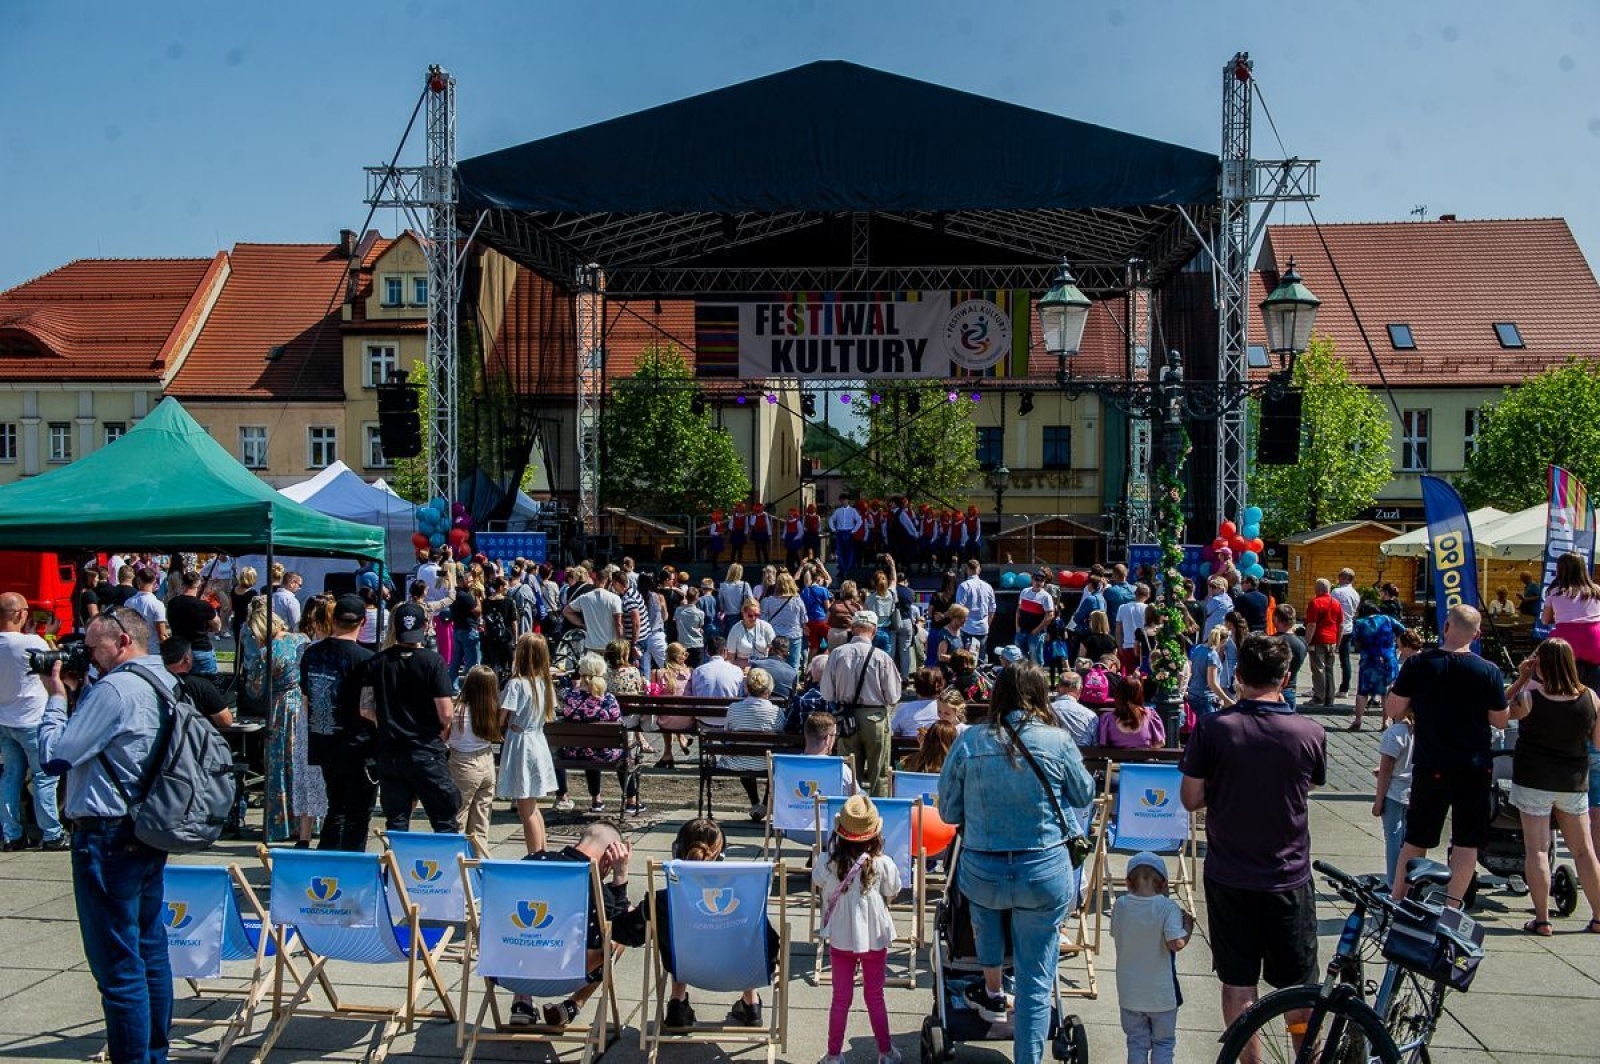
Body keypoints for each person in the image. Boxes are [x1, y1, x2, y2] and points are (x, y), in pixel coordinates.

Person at [37, 608, 176, 1063]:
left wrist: (57, 698)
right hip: (147, 828)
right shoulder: (165, 682)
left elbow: (55, 757)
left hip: (107, 835)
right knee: (150, 951)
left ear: (121, 641)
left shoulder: (117, 688)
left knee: (118, 965)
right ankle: (154, 1052)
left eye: (95, 649)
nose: (89, 658)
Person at [938, 661, 1094, 1064]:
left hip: (984, 866)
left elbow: (950, 812)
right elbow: (1082, 795)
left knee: (984, 917)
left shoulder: (970, 740)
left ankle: (991, 988)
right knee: (1036, 978)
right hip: (1042, 868)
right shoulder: (1057, 740)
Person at [1180, 634, 1327, 1034]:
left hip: (1230, 872)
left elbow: (1190, 798)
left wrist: (1225, 784)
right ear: (1286, 677)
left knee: (1238, 983)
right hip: (1287, 873)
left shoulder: (1212, 729)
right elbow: (1308, 784)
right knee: (1299, 989)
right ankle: (1304, 1057)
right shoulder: (1309, 731)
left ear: (1238, 675)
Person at [1386, 604, 1509, 904]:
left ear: (1445, 627)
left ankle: (1400, 898)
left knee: (1417, 837)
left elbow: (1393, 710)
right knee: (1467, 840)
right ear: (1477, 634)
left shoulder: (1418, 665)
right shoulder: (1488, 670)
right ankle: (1453, 905)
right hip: (1474, 765)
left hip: (1432, 762)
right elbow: (1500, 720)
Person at [610, 818, 779, 1029]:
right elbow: (770, 944)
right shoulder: (746, 897)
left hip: (687, 969)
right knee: (750, 933)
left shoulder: (664, 901)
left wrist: (620, 875)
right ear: (721, 855)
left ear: (676, 851)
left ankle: (677, 1003)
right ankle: (751, 1003)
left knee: (675, 932)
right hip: (739, 971)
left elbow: (622, 932)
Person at [1503, 638, 1600, 934]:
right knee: (1584, 852)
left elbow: (1498, 715)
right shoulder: (1592, 698)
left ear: (1540, 663)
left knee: (1538, 850)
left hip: (1533, 779)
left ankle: (1543, 919)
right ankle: (1598, 917)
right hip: (1572, 781)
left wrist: (1521, 678)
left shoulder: (1530, 698)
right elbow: (1598, 743)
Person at [510, 821, 639, 1027]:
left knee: (527, 931)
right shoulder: (596, 887)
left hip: (508, 972)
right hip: (565, 976)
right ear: (610, 857)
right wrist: (620, 876)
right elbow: (630, 931)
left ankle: (522, 1002)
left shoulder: (530, 863)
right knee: (617, 934)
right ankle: (574, 1004)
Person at [357, 599, 460, 834]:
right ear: (425, 627)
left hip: (390, 751)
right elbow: (445, 713)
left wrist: (385, 722)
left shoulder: (377, 662)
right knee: (444, 820)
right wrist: (440, 733)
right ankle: (445, 868)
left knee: (397, 822)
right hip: (425, 750)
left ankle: (396, 868)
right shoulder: (433, 662)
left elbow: (365, 708)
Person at [813, 795, 903, 1064]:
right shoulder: (882, 863)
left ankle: (833, 1054)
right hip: (875, 937)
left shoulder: (827, 862)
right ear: (875, 834)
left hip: (840, 936)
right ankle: (885, 1051)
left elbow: (818, 881)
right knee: (875, 996)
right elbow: (894, 890)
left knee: (840, 998)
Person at [298, 594, 375, 851]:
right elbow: (367, 708)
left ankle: (328, 861)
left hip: (323, 738)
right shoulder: (365, 658)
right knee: (357, 813)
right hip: (356, 744)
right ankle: (350, 868)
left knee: (337, 807)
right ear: (362, 623)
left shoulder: (312, 653)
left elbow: (307, 696)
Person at [245, 596, 322, 846]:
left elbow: (254, 689)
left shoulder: (267, 653)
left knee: (280, 766)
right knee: (305, 766)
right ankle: (310, 823)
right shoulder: (303, 640)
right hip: (305, 704)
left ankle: (282, 823)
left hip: (281, 710)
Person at [1110, 852, 1193, 1064]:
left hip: (1129, 992)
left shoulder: (1120, 905)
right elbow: (1176, 943)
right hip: (1161, 994)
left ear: (1128, 882)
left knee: (1136, 1042)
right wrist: (1188, 926)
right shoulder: (1168, 908)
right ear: (1164, 884)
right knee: (1163, 1043)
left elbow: (1116, 933)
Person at [0, 591, 63, 851]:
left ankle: (11, 834)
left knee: (10, 777)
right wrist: (49, 635)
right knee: (44, 778)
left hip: (5, 720)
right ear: (18, 614)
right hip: (32, 720)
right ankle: (52, 834)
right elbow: (56, 664)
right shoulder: (30, 643)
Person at [821, 611, 902, 797]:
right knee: (879, 773)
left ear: (853, 629)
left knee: (849, 773)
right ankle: (877, 814)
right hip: (875, 718)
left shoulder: (837, 654)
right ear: (873, 631)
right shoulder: (882, 657)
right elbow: (893, 696)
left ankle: (852, 816)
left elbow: (826, 693)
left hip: (846, 717)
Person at [496, 632, 558, 853]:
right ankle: (542, 850)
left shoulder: (516, 684)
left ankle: (534, 854)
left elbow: (501, 717)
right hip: (537, 741)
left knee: (525, 808)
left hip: (521, 743)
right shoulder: (545, 684)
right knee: (533, 806)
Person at [558, 652, 641, 816]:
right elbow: (619, 724)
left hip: (575, 752)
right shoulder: (607, 699)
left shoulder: (570, 696)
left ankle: (596, 799)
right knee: (623, 751)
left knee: (589, 746)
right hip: (605, 753)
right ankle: (631, 800)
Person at [445, 664, 503, 851]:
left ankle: (457, 865)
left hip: (463, 763)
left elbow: (444, 737)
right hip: (487, 761)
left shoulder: (458, 711)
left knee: (458, 818)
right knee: (481, 820)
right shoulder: (492, 710)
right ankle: (479, 863)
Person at [721, 667, 784, 821]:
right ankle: (764, 804)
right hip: (766, 762)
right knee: (774, 762)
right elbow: (782, 735)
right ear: (768, 689)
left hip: (738, 761)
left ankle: (756, 803)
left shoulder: (734, 708)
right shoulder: (776, 711)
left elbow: (726, 732)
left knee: (743, 754)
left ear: (747, 688)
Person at [1541, 551, 1600, 688]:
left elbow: (1545, 620)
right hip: (1595, 639)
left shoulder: (1555, 592)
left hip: (1567, 641)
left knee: (1563, 685)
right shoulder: (1596, 590)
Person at [1373, 703, 1415, 885]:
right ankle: (1406, 881)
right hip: (1413, 790)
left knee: (1392, 839)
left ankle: (1392, 882)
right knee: (1407, 840)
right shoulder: (1417, 731)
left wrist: (1378, 801)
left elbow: (1386, 770)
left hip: (1394, 793)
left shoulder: (1395, 733)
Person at [160, 637, 232, 728]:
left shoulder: (153, 683)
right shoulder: (201, 686)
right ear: (187, 659)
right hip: (193, 738)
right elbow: (225, 721)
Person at [1351, 600, 1399, 731]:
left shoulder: (1359, 623)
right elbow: (1402, 630)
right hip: (1388, 657)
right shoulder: (1387, 619)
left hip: (1369, 659)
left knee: (1362, 691)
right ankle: (1385, 722)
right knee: (1386, 691)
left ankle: (1358, 720)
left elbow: (1355, 641)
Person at [165, 570, 221, 676]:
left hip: (180, 651)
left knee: (181, 687)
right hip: (200, 649)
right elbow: (217, 626)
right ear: (198, 584)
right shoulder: (204, 606)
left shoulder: (172, 603)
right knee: (207, 686)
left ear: (183, 584)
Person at [1098, 674, 1167, 749]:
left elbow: (1103, 744)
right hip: (1144, 759)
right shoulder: (1150, 714)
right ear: (1140, 694)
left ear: (1118, 694)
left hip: (1118, 760)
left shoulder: (1107, 719)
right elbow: (1161, 742)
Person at [1304, 578, 1343, 707]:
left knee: (1318, 669)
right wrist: (1338, 643)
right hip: (1332, 640)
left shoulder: (1315, 603)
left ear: (1319, 589)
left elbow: (1311, 625)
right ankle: (1330, 697)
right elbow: (1341, 625)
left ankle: (1319, 696)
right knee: (1329, 669)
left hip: (1318, 640)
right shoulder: (1336, 603)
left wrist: (1306, 641)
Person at [564, 570, 622, 654]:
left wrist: (582, 624)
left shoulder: (584, 598)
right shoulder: (614, 599)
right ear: (608, 582)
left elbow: (566, 611)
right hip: (610, 646)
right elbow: (618, 624)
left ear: (595, 580)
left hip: (591, 645)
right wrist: (621, 642)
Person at [953, 559, 997, 656]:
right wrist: (987, 624)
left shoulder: (964, 586)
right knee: (980, 660)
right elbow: (992, 609)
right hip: (982, 629)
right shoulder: (988, 586)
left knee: (967, 660)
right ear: (979, 570)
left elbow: (959, 609)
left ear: (967, 570)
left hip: (967, 628)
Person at [125, 566, 170, 654]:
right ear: (154, 581)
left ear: (138, 581)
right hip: (154, 651)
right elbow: (162, 634)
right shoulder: (157, 604)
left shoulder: (128, 603)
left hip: (135, 650)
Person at [891, 667, 946, 739]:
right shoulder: (946, 710)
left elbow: (895, 732)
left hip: (907, 749)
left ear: (916, 687)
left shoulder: (905, 708)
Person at [1331, 568, 1362, 698]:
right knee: (1345, 660)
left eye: (1339, 577)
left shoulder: (1337, 592)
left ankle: (1323, 687)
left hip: (1336, 628)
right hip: (1349, 627)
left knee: (1327, 659)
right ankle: (1344, 688)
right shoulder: (1355, 594)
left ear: (1343, 578)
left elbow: (1331, 608)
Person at [1271, 604, 1306, 711]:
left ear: (1276, 619)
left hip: (1271, 690)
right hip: (1290, 689)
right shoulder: (1301, 643)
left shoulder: (1272, 641)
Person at [1049, 671, 1099, 747]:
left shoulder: (1044, 710)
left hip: (1050, 757)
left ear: (1057, 687)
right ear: (1080, 689)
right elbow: (1095, 744)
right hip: (1083, 758)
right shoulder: (1090, 716)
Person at [1114, 583, 1152, 676]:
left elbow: (1118, 631)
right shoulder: (1149, 609)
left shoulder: (1122, 608)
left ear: (1135, 593)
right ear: (1148, 595)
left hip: (1127, 646)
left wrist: (1119, 646)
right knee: (1144, 674)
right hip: (1144, 647)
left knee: (1129, 676)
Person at [726, 598, 776, 667]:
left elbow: (774, 651)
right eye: (750, 615)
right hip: (742, 667)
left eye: (756, 615)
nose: (753, 618)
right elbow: (731, 656)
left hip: (763, 665)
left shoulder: (766, 627)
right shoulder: (735, 630)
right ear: (743, 613)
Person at [748, 635, 798, 700]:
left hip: (755, 707)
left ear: (771, 649)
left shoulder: (756, 665)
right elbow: (793, 698)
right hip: (781, 709)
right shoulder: (793, 673)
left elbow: (748, 690)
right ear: (787, 653)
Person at [673, 586, 707, 667]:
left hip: (683, 644)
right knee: (697, 669)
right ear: (697, 598)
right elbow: (700, 626)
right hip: (697, 644)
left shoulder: (678, 610)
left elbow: (675, 621)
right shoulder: (700, 613)